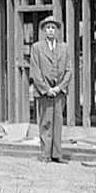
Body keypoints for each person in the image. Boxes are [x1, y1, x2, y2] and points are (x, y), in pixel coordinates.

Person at [29, 15, 72, 163]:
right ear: (43, 30)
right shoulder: (37, 47)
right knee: (45, 122)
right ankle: (45, 154)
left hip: (59, 91)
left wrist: (60, 87)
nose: (51, 30)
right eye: (48, 28)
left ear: (57, 30)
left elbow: (69, 70)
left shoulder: (64, 47)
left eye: (53, 28)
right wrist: (46, 89)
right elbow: (35, 71)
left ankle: (57, 154)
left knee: (58, 123)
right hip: (45, 92)